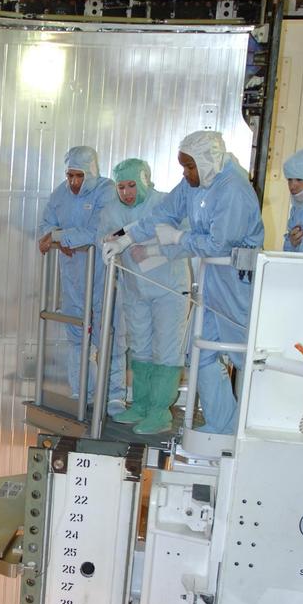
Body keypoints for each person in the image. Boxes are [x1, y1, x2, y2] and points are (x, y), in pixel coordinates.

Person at [105, 131, 264, 436]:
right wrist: (126, 237)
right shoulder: (195, 184)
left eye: (189, 167)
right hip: (213, 279)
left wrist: (176, 240)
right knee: (203, 352)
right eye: (183, 167)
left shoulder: (233, 190)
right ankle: (222, 423)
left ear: (207, 161)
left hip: (237, 281)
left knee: (243, 353)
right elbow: (163, 214)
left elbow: (219, 243)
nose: (185, 173)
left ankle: (249, 426)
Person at [102, 158, 191, 434]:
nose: (127, 192)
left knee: (165, 349)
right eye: (122, 186)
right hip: (136, 290)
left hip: (169, 290)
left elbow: (185, 238)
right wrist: (112, 243)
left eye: (132, 185)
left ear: (144, 181)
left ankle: (159, 411)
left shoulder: (163, 204)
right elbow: (108, 234)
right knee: (140, 346)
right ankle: (140, 404)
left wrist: (153, 250)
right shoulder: (111, 210)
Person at [37, 146, 124, 411]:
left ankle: (114, 395)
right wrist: (55, 234)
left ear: (91, 173)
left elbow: (100, 230)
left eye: (79, 176)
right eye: (70, 175)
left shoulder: (106, 191)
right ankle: (82, 390)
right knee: (77, 334)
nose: (73, 182)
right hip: (73, 275)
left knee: (108, 333)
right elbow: (44, 227)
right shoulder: (60, 194)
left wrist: (62, 237)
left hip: (101, 274)